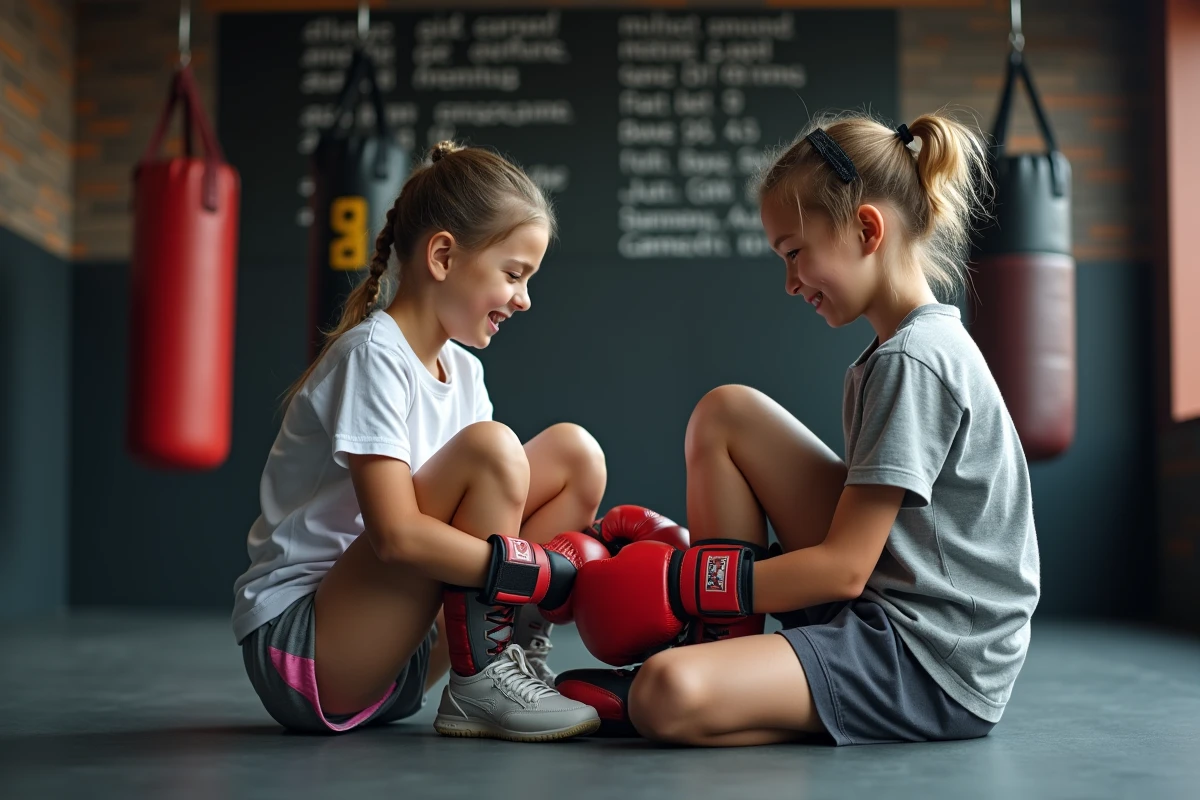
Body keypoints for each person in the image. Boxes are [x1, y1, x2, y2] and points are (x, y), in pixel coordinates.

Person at [557, 112, 1042, 747]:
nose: (789, 283)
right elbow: (861, 554)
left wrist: (684, 585)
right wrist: (707, 590)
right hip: (895, 600)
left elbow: (843, 570)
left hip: (931, 660)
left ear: (867, 229)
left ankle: (716, 680)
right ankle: (721, 643)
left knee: (663, 692)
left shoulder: (913, 361)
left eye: (795, 254)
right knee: (726, 412)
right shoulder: (901, 349)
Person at [233, 141, 614, 741]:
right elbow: (396, 536)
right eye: (513, 274)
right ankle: (483, 680)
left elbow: (493, 519)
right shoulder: (372, 355)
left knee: (574, 455)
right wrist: (541, 574)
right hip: (309, 653)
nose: (525, 297)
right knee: (493, 451)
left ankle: (507, 657)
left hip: (400, 654)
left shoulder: (465, 374)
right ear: (442, 255)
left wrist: (538, 577)